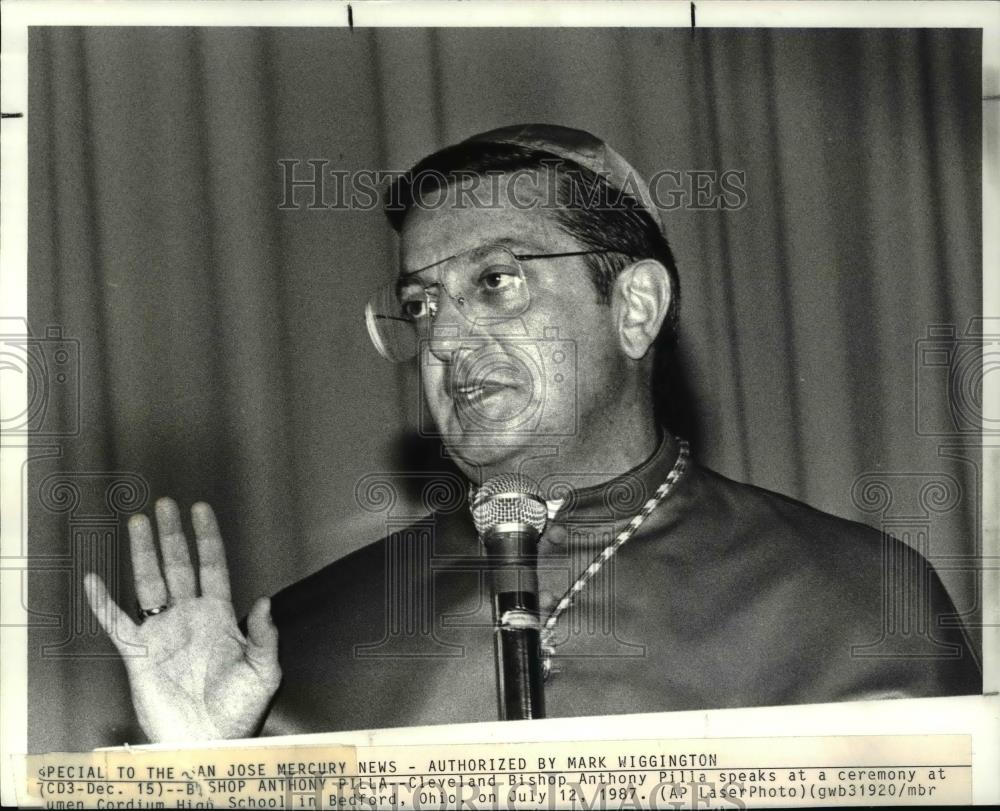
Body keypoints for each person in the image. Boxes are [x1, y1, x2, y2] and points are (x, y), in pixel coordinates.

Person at [83, 124, 981, 743]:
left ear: (634, 308)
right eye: (418, 302)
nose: (441, 337)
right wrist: (199, 772)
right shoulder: (299, 644)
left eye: (497, 282)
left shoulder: (858, 602)